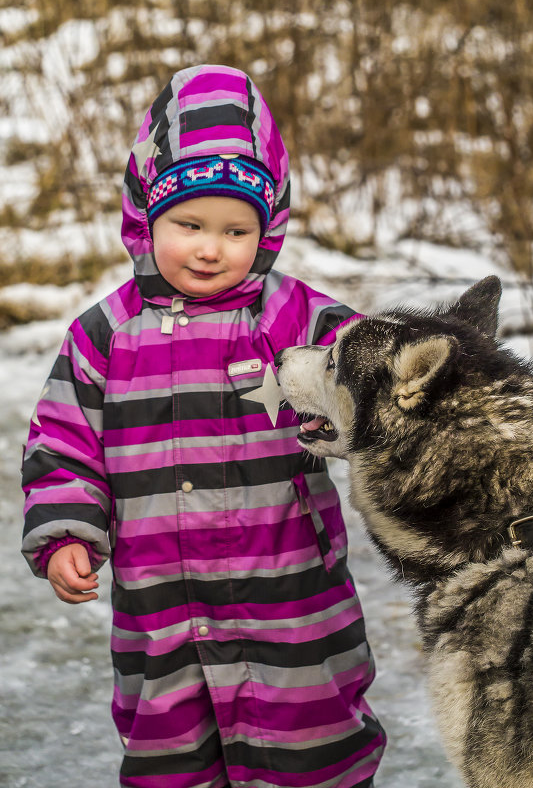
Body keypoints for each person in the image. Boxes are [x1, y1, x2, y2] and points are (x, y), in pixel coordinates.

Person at [21, 64, 386, 788]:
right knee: (170, 759)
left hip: (290, 596)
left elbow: (373, 371)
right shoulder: (106, 334)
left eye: (236, 229)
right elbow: (63, 444)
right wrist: (68, 531)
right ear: (147, 216)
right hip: (164, 612)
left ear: (268, 227)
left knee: (313, 748)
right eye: (189, 225)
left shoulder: (292, 317)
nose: (210, 248)